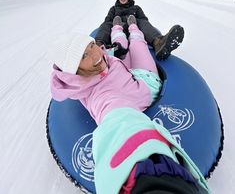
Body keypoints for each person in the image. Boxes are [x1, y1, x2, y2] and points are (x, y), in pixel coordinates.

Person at [50, 16, 209, 194]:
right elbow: (118, 120)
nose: (96, 53)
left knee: (121, 45)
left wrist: (113, 51)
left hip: (125, 71)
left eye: (92, 45)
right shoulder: (100, 96)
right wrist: (150, 183)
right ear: (74, 70)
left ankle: (128, 26)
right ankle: (129, 28)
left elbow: (103, 55)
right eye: (84, 55)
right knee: (138, 45)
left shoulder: (100, 60)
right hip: (146, 83)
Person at [95, 0, 184, 60]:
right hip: (117, 29)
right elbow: (108, 20)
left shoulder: (136, 8)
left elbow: (144, 19)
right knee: (105, 24)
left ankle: (158, 43)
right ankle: (98, 47)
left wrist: (134, 22)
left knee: (142, 21)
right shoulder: (113, 9)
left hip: (134, 28)